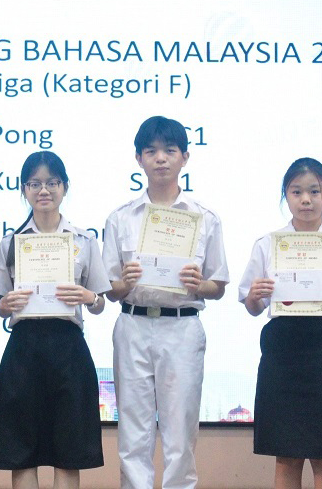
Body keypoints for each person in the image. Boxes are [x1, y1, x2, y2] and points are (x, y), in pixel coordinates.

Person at [102, 116, 229, 489]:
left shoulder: (204, 218)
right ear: (138, 159)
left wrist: (199, 284)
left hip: (182, 326)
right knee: (133, 432)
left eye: (170, 150)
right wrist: (124, 283)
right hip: (133, 325)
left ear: (185, 157)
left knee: (180, 432)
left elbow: (218, 284)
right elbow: (109, 288)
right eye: (152, 151)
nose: (161, 158)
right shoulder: (120, 218)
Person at [238, 157, 322, 489]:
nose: (306, 200)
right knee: (286, 455)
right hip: (283, 349)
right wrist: (255, 295)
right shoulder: (268, 243)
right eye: (297, 192)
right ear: (286, 195)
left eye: (314, 191)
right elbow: (253, 307)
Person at [0, 151, 110, 489]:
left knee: (69, 451)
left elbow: (100, 303)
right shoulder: (10, 244)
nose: (44, 190)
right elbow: (0, 304)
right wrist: (6, 304)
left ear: (64, 187)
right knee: (21, 450)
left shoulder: (84, 240)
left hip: (68, 349)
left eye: (52, 182)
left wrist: (89, 297)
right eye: (35, 184)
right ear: (24, 189)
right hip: (23, 349)